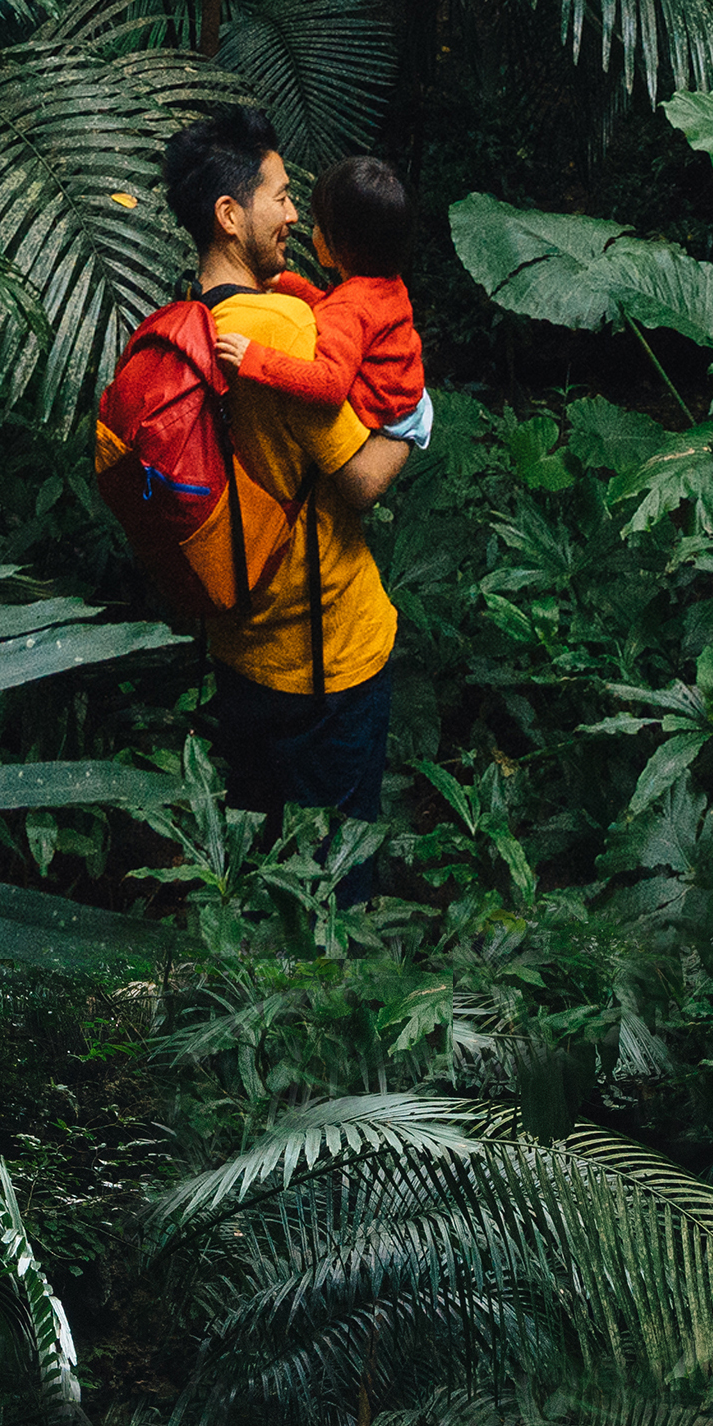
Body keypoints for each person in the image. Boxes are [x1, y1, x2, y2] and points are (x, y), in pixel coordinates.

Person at [158, 106, 418, 873]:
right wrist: (410, 417)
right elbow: (365, 479)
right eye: (279, 195)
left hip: (241, 649)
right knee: (331, 888)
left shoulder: (189, 316)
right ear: (230, 215)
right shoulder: (283, 333)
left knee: (257, 872)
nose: (295, 212)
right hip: (327, 661)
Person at [213, 150, 434, 457]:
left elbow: (330, 384)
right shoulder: (386, 284)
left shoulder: (348, 309)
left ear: (338, 243)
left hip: (388, 417)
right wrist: (293, 285)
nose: (304, 225)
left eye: (318, 225)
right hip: (409, 397)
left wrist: (257, 360)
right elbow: (353, 320)